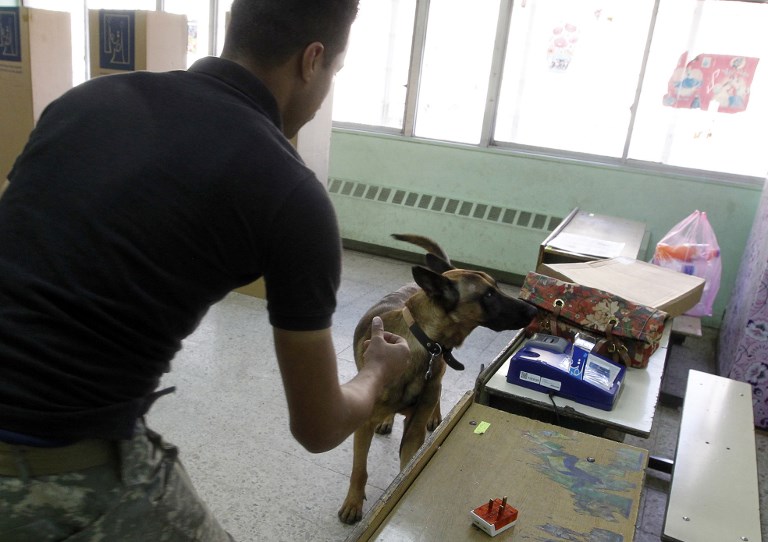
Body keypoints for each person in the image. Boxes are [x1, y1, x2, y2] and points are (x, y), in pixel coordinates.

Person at [0, 1, 410, 540]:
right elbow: (318, 426)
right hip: (51, 462)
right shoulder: (290, 194)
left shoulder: (86, 100)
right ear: (312, 61)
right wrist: (376, 371)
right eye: (334, 70)